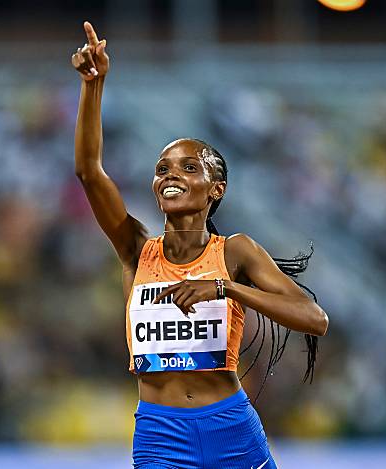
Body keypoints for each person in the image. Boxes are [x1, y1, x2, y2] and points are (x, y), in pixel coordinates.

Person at [71, 21, 328, 469]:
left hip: (230, 426)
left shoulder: (235, 253)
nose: (170, 174)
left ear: (216, 189)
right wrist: (94, 87)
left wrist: (226, 289)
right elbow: (90, 172)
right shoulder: (136, 246)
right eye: (162, 168)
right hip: (161, 432)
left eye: (189, 167)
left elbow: (314, 319)